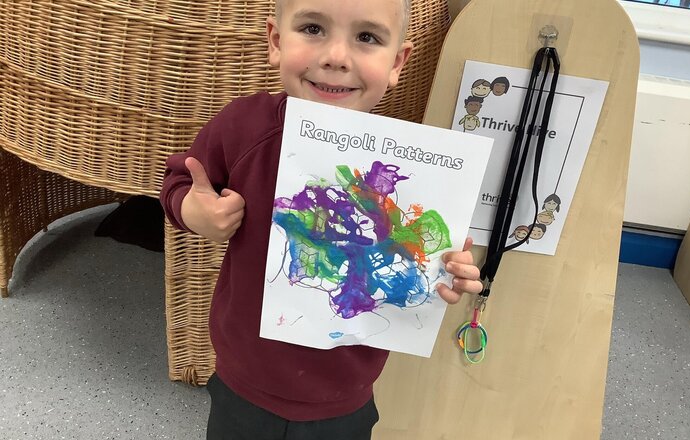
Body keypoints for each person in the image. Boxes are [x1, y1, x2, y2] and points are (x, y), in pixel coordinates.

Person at [160, 0, 483, 438]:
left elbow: (429, 261)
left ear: (397, 62)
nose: (336, 56)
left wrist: (452, 270)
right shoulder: (242, 127)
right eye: (313, 28)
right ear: (276, 41)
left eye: (367, 38)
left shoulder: (404, 169)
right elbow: (181, 180)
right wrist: (192, 210)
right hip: (244, 378)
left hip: (346, 390)